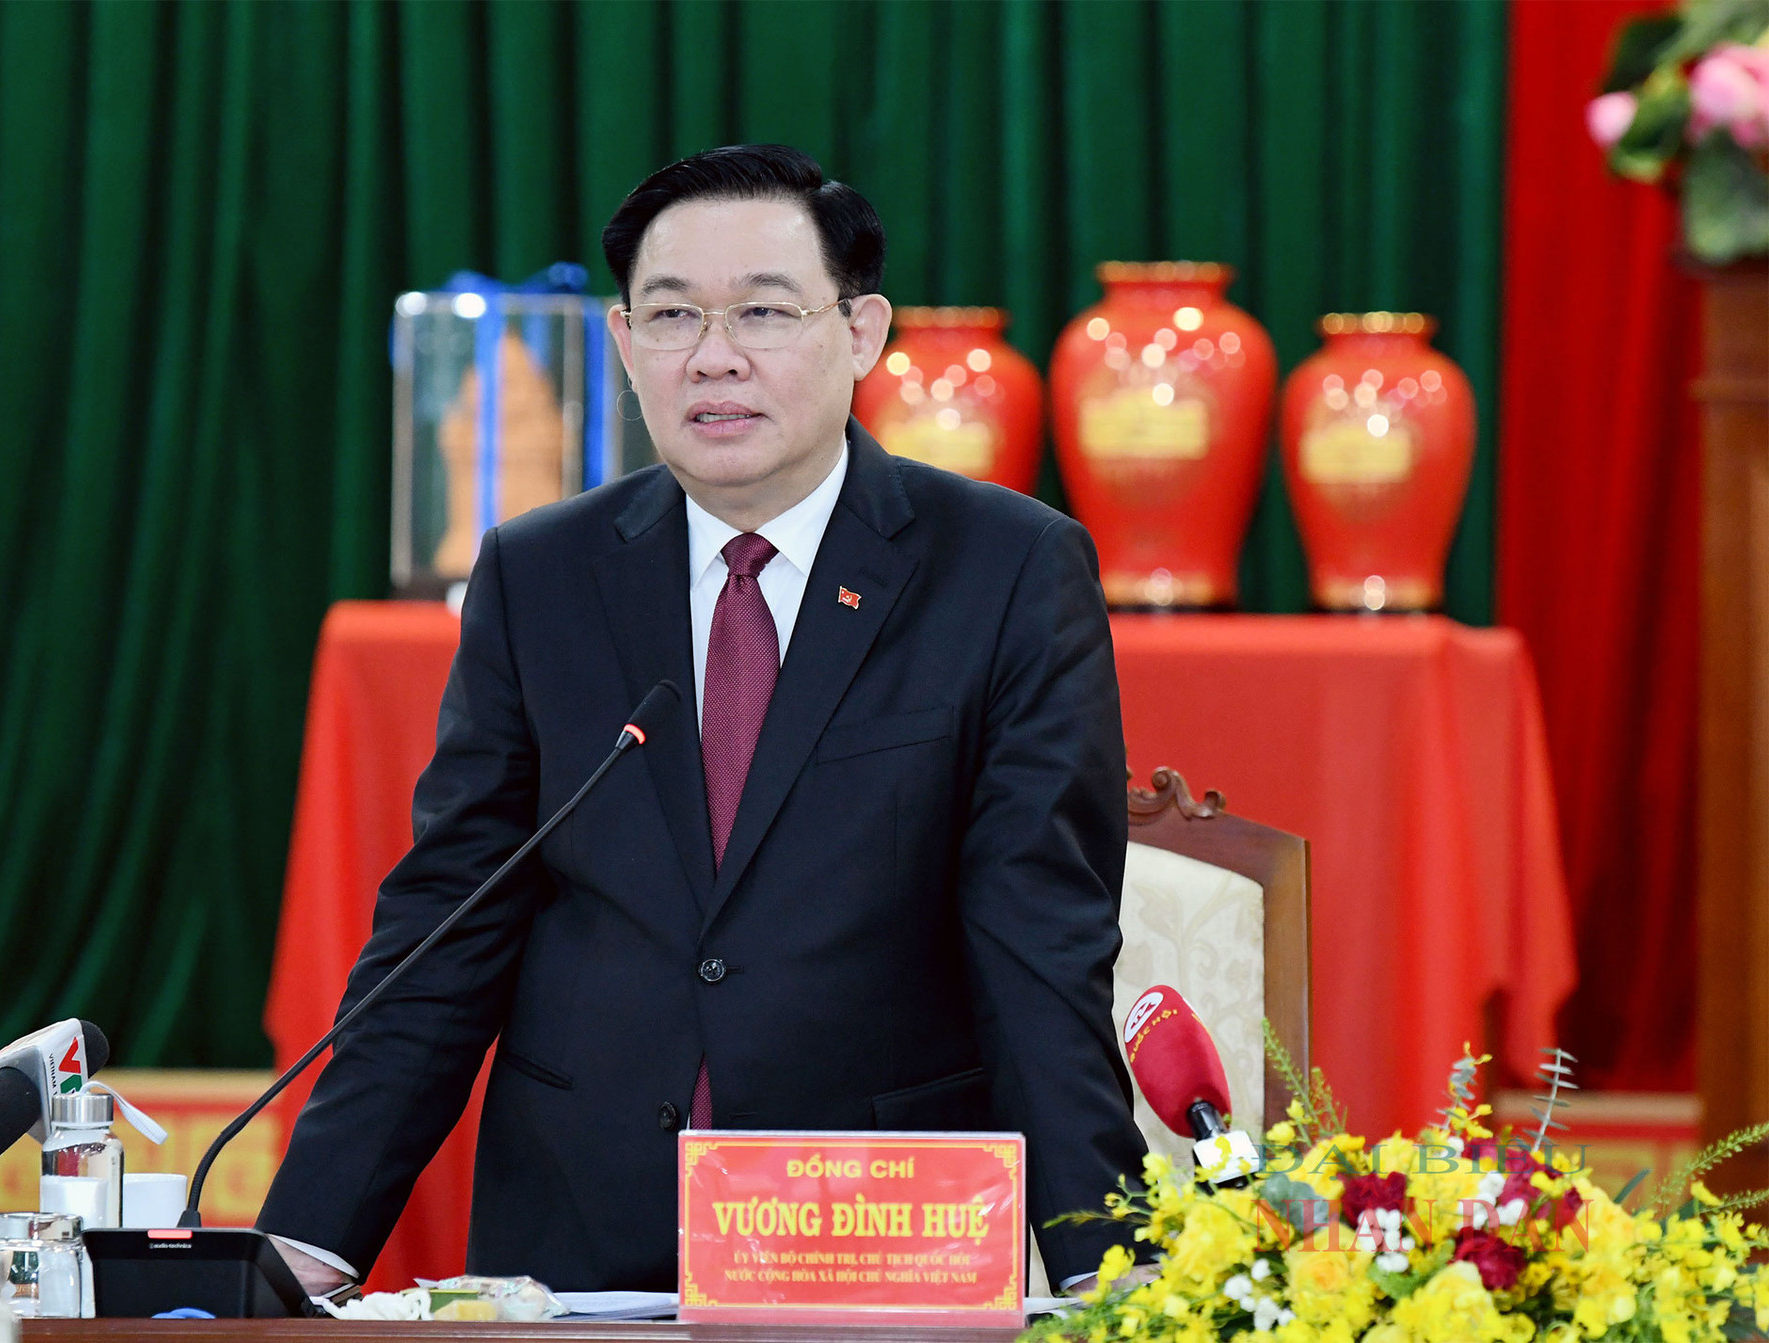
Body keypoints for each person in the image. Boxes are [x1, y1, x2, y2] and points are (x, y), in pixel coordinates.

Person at [258, 144, 1151, 1295]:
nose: (715, 358)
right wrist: (300, 1245)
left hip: (870, 1239)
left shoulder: (1005, 569)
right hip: (578, 1243)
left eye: (765, 313)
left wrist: (1106, 1270)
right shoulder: (542, 574)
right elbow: (447, 925)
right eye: (672, 316)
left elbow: (1040, 946)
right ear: (626, 346)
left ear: (864, 332)